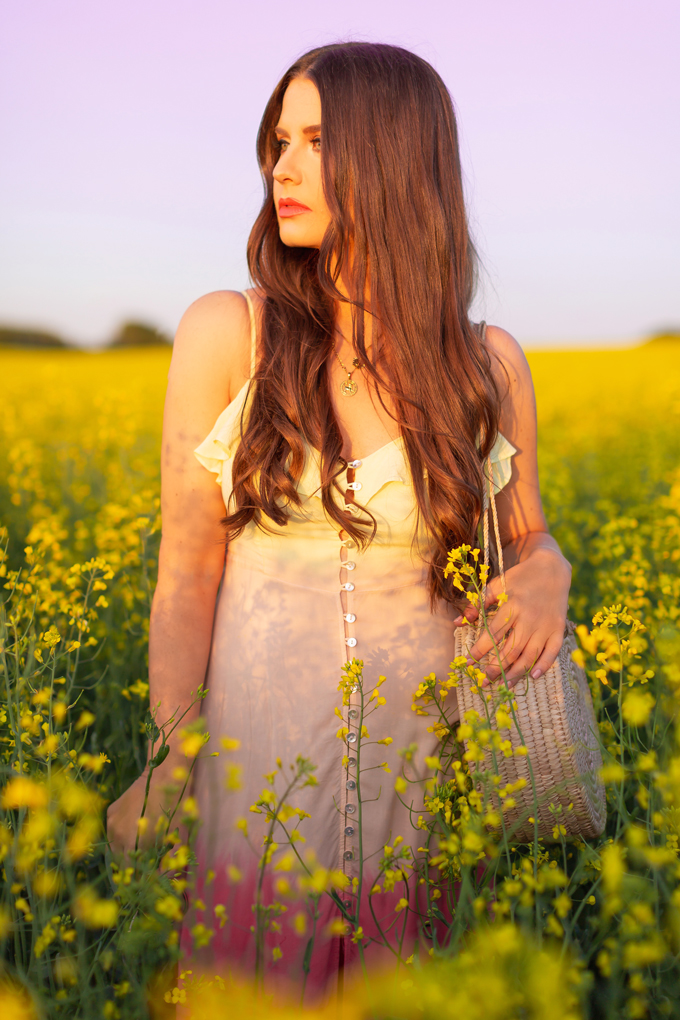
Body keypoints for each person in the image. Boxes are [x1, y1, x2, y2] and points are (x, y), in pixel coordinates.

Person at [107, 42, 571, 991]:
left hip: (427, 792)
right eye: (279, 140)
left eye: (316, 140)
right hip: (261, 789)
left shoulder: (489, 365)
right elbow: (187, 573)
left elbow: (526, 536)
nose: (282, 167)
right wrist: (170, 756)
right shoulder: (228, 334)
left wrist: (548, 568)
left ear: (397, 157)